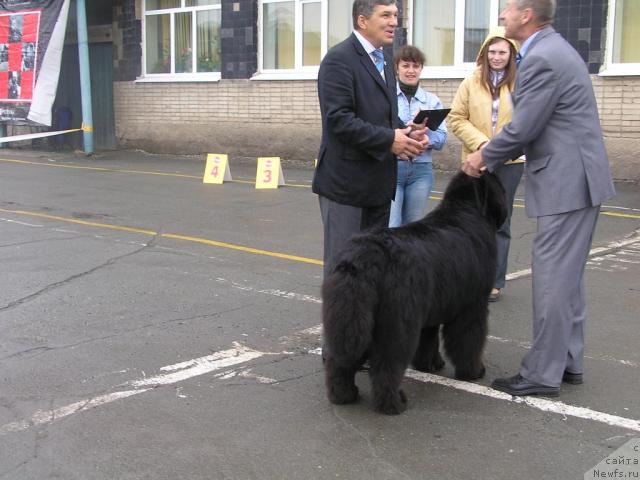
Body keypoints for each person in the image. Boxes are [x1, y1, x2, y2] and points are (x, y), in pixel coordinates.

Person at [462, 0, 615, 396]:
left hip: (567, 181)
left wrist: (482, 157)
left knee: (550, 279)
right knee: (567, 279)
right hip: (579, 177)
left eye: (507, 9)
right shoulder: (556, 49)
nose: (500, 17)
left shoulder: (542, 58)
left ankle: (542, 374)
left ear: (526, 14)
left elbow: (524, 126)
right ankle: (568, 361)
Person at [313, 0, 427, 278]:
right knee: (344, 270)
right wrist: (390, 140)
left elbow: (384, 116)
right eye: (385, 15)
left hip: (378, 186)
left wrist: (406, 132)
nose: (393, 22)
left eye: (396, 15)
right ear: (363, 21)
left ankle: (369, 321)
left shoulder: (386, 60)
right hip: (345, 187)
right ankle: (342, 323)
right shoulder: (338, 59)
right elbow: (338, 119)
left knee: (372, 268)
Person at [448, 27, 521, 301]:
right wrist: (482, 144)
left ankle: (494, 280)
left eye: (502, 51)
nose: (497, 56)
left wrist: (500, 149)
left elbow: (524, 122)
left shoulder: (521, 82)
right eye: (492, 51)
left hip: (510, 162)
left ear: (511, 54)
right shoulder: (471, 81)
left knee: (500, 221)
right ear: (484, 53)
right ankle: (469, 276)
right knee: (469, 220)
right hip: (475, 160)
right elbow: (457, 118)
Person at [389, 45, 447, 228]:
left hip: (421, 171)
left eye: (416, 66)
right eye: (406, 66)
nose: (411, 71)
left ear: (421, 69)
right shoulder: (387, 97)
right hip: (392, 169)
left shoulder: (432, 100)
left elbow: (442, 137)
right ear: (397, 68)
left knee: (414, 227)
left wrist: (427, 139)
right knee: (392, 225)